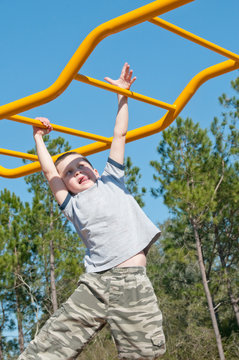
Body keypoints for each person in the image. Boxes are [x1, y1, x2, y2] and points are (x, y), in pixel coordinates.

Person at [18, 63, 166, 360]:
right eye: (70, 173)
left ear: (95, 169)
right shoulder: (71, 204)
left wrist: (122, 96)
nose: (77, 172)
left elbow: (119, 134)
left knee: (143, 353)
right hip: (95, 282)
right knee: (50, 346)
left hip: (131, 282)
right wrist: (37, 138)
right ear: (67, 185)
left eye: (81, 165)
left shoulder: (113, 179)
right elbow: (49, 173)